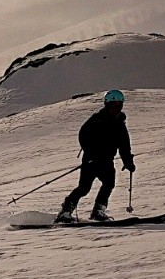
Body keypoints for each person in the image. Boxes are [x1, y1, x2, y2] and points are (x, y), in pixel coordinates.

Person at [56, 89, 135, 223]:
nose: (116, 108)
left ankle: (98, 210)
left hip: (107, 161)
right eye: (113, 105)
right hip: (92, 160)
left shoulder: (120, 125)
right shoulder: (97, 119)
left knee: (109, 184)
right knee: (84, 188)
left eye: (119, 105)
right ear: (107, 105)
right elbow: (83, 135)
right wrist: (91, 154)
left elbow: (124, 146)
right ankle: (65, 211)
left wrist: (128, 162)